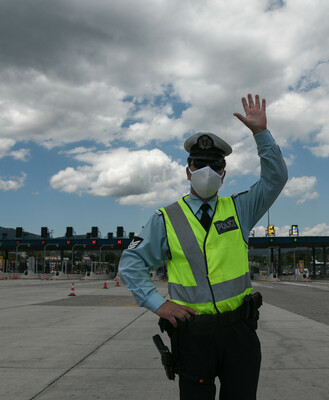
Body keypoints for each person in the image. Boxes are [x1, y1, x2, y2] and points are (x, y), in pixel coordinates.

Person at [118, 93, 288, 400]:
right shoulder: (165, 218)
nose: (206, 170)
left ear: (223, 174)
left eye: (214, 165)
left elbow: (275, 179)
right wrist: (158, 304)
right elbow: (131, 263)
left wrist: (261, 134)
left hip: (240, 333)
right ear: (187, 170)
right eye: (199, 164)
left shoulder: (240, 209)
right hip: (193, 335)